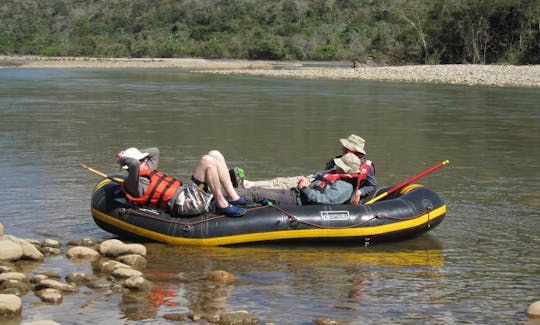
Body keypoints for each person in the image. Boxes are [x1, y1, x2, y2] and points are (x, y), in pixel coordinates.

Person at [232, 134, 377, 203]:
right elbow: (327, 173)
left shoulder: (362, 168)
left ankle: (245, 188)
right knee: (280, 182)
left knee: (276, 187)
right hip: (315, 181)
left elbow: (372, 185)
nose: (343, 148)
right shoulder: (341, 159)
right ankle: (248, 185)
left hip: (312, 190)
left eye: (346, 147)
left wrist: (359, 192)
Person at [116, 147, 255, 217]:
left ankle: (233, 197)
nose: (145, 160)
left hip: (189, 195)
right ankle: (222, 204)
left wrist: (137, 155)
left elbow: (155, 151)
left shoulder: (148, 168)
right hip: (183, 204)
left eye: (144, 159)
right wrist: (122, 159)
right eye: (141, 160)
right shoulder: (132, 183)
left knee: (214, 154)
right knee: (207, 160)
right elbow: (133, 164)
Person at [234, 153, 364, 206]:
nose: (337, 167)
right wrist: (306, 185)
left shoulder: (344, 187)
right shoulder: (338, 177)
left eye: (340, 166)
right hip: (295, 193)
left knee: (257, 194)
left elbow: (324, 201)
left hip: (297, 200)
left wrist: (305, 188)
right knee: (257, 190)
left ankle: (219, 195)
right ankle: (225, 194)